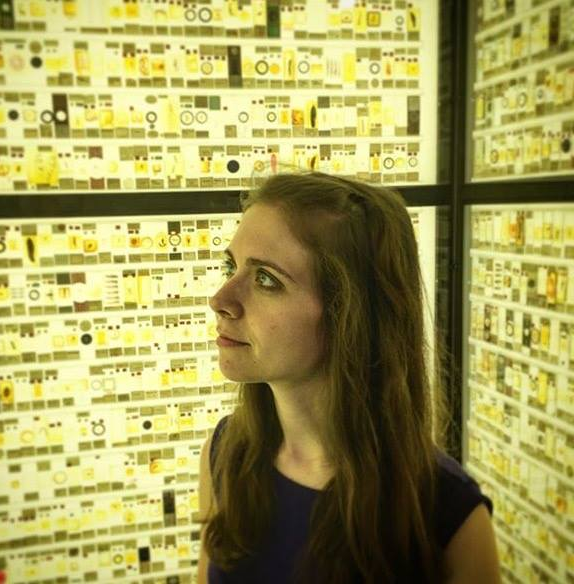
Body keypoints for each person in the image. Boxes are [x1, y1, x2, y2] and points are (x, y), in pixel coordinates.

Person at [196, 172, 501, 583]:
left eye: (266, 279)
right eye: (229, 266)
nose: (220, 300)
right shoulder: (225, 455)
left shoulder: (446, 513)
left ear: (351, 314)